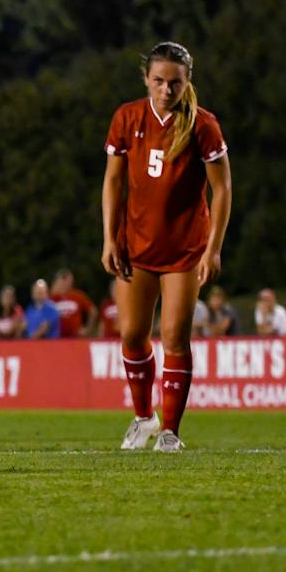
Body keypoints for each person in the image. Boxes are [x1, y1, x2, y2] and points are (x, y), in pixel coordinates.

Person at [102, 41, 231, 452]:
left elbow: (223, 188)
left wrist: (213, 249)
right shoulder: (127, 118)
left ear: (187, 81)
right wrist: (109, 238)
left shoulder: (202, 125)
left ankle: (170, 431)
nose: (166, 89)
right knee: (132, 334)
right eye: (158, 81)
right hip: (136, 246)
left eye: (175, 82)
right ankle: (144, 418)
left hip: (184, 250)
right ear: (146, 79)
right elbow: (113, 181)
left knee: (174, 336)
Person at [50, 268, 96, 337]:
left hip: (75, 337)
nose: (67, 283)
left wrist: (88, 329)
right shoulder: (53, 297)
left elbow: (93, 311)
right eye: (63, 280)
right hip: (57, 337)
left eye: (69, 280)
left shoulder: (77, 295)